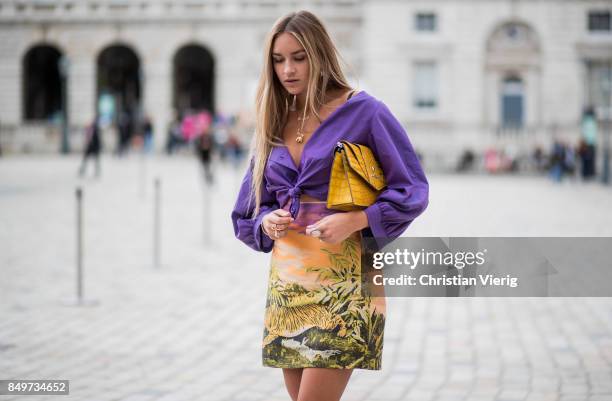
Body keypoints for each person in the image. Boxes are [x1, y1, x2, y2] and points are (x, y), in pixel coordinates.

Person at [230, 10, 429, 401]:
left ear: (320, 54)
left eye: (299, 57)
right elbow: (248, 211)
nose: (287, 69)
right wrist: (267, 221)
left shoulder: (365, 111)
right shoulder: (274, 118)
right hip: (289, 284)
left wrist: (357, 219)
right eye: (278, 59)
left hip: (347, 279)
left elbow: (413, 189)